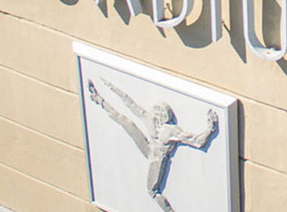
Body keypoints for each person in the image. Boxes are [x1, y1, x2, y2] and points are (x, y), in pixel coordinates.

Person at [86, 78, 218, 211]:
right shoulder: (151, 120)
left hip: (158, 159)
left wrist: (210, 128)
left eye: (162, 113)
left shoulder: (172, 131)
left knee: (152, 191)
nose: (160, 115)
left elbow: (197, 141)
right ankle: (99, 99)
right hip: (149, 148)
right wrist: (112, 87)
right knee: (126, 122)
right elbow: (131, 104)